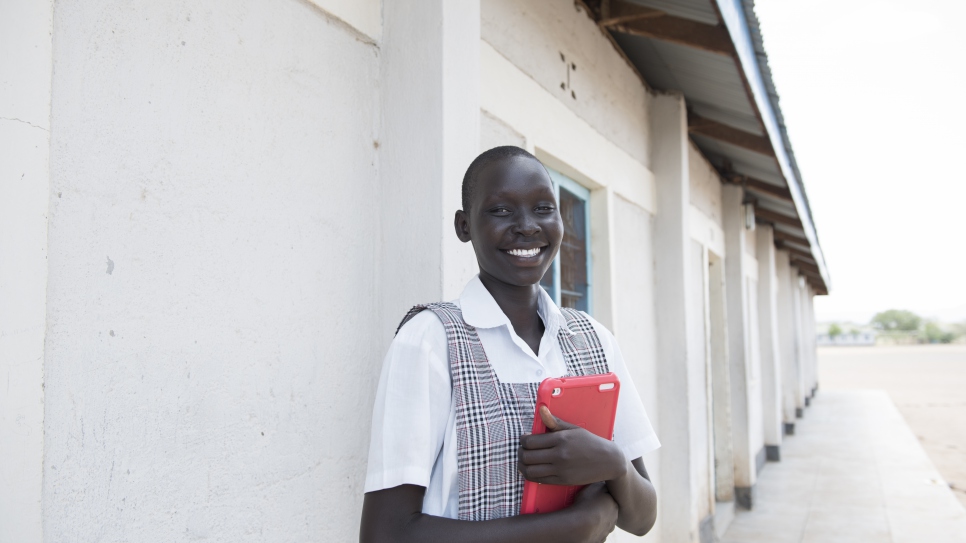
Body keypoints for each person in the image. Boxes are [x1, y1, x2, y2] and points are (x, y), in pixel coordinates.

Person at [360, 146, 660, 543]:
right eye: (501, 210)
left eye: (543, 208)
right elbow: (385, 534)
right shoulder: (431, 341)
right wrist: (574, 526)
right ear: (464, 226)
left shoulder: (593, 341)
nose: (527, 226)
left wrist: (616, 464)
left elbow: (642, 519)